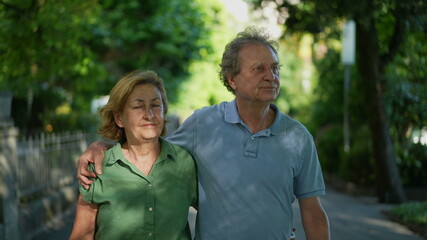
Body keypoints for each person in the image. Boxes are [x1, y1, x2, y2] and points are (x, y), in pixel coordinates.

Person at [78, 26, 330, 240]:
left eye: (275, 68)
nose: (271, 76)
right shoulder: (202, 123)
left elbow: (313, 211)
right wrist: (102, 146)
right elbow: (148, 148)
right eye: (259, 69)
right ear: (232, 79)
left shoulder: (298, 137)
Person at [69, 70, 198, 240]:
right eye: (138, 106)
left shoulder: (184, 162)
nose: (149, 115)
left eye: (155, 105)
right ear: (119, 118)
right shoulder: (99, 167)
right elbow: (82, 235)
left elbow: (216, 215)